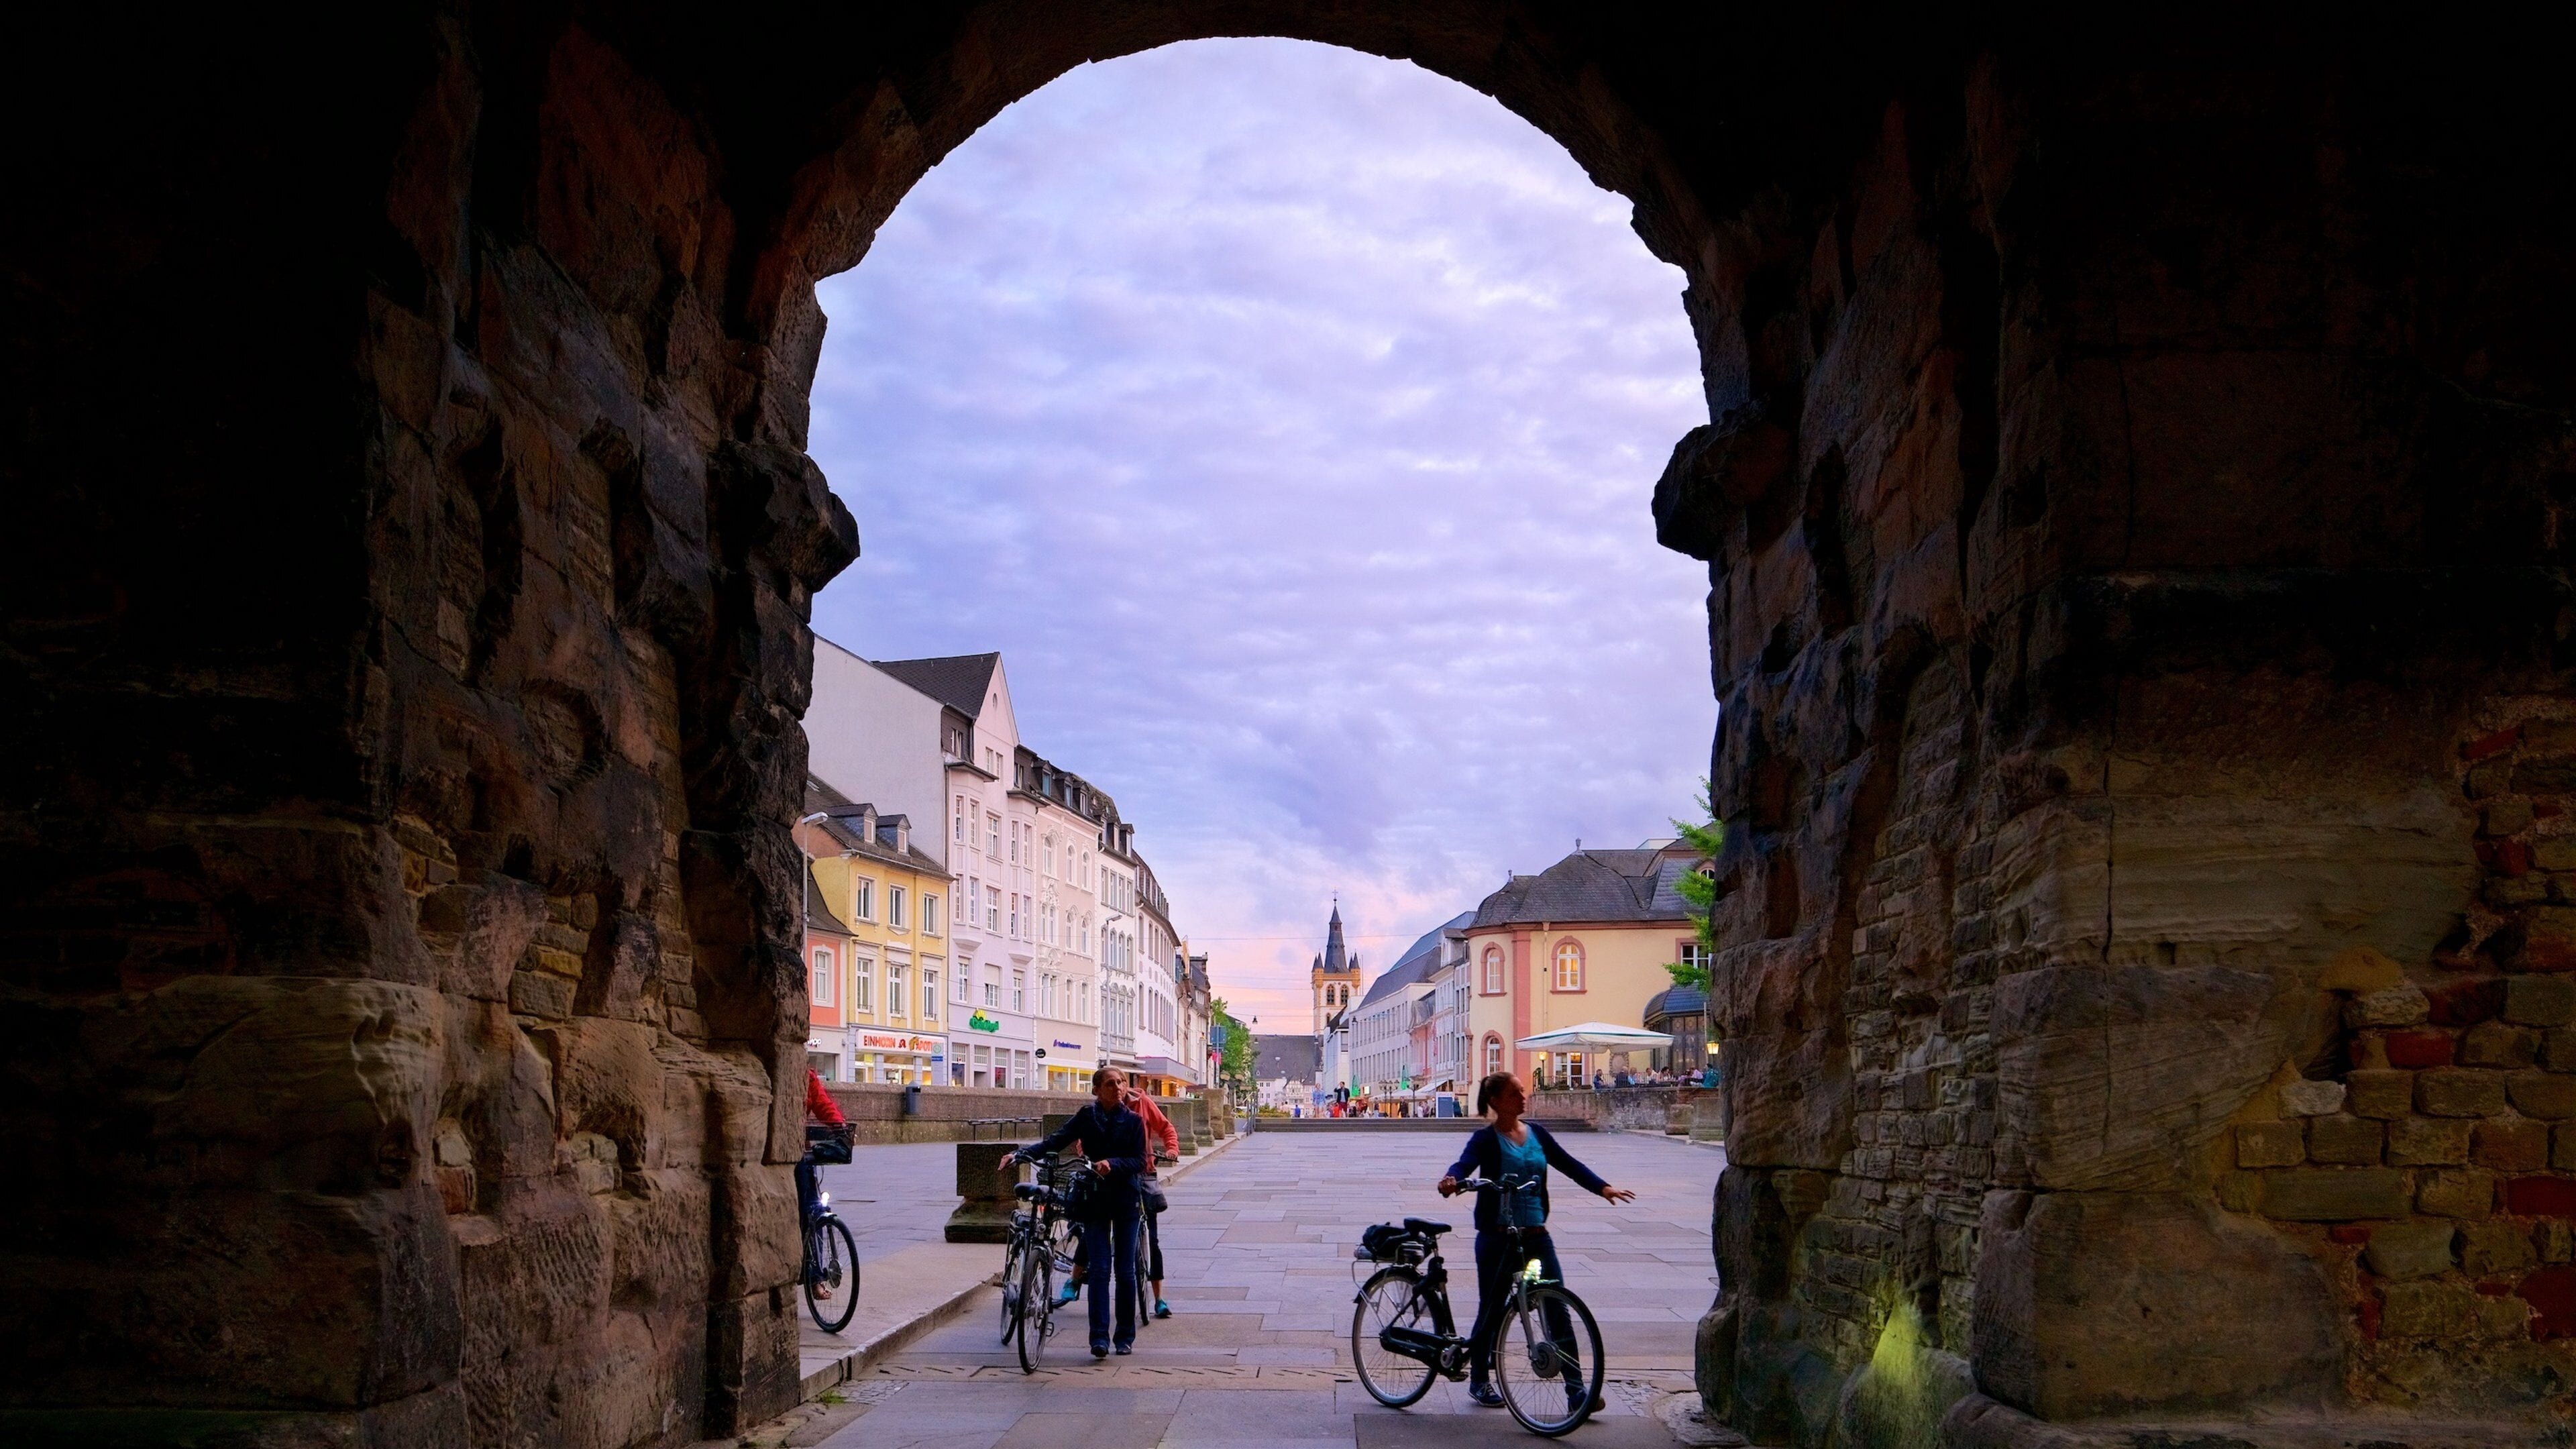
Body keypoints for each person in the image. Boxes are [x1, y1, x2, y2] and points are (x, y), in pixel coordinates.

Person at [1437, 1071, 1635, 1409]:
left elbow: (1567, 1164)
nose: (1523, 1096)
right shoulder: (1486, 1139)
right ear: (1497, 1101)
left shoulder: (1537, 1134)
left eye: (1522, 1090)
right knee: (1493, 1309)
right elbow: (1465, 1163)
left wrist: (1603, 1187)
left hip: (1536, 1235)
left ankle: (1576, 1392)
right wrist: (1452, 1179)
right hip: (1497, 1238)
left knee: (1556, 1307)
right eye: (1516, 1093)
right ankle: (1480, 1380)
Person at [1002, 1067, 1149, 1357]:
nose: (1118, 1087)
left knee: (1126, 1271)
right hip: (1094, 1199)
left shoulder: (1134, 1121)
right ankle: (1099, 1338)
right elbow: (1055, 1141)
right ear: (1096, 1090)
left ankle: (1124, 1337)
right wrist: (1021, 1153)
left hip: (1125, 1200)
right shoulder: (1086, 1116)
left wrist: (1113, 1164)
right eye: (1110, 1084)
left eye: (1121, 1082)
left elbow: (1140, 1161)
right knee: (1100, 1271)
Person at [798, 1069, 847, 1297]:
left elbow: (823, 1104)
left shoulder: (807, 1077)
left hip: (800, 1149)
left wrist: (841, 1130)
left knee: (814, 1211)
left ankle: (814, 1277)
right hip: (782, 1150)